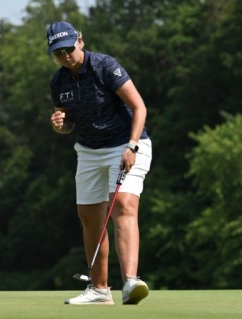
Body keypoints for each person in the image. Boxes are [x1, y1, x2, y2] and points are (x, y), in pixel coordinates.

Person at [47, 21, 152, 305]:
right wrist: (61, 124)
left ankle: (131, 282)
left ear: (80, 41)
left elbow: (139, 106)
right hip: (90, 151)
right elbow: (68, 124)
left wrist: (132, 146)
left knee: (123, 205)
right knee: (90, 219)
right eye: (59, 53)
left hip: (127, 144)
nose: (66, 56)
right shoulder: (58, 82)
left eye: (69, 49)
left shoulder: (105, 66)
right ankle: (99, 289)